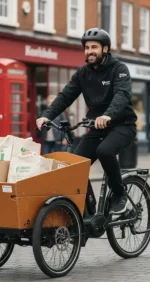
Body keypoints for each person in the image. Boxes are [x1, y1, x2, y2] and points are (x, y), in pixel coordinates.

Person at [36, 28, 137, 214]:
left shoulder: (119, 69)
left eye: (94, 47)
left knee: (105, 151)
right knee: (75, 165)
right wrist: (47, 116)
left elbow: (122, 95)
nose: (89, 51)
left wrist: (108, 115)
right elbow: (65, 96)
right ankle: (90, 212)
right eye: (87, 47)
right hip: (97, 127)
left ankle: (119, 194)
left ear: (105, 49)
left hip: (122, 125)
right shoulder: (83, 73)